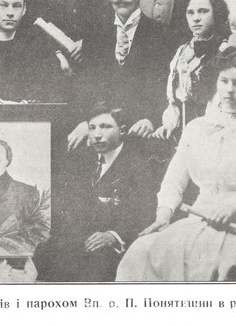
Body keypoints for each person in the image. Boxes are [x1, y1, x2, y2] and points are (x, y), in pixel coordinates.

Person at [116, 47, 236, 281]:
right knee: (141, 251)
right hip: (197, 219)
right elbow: (174, 181)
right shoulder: (196, 128)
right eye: (224, 81)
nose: (229, 90)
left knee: (207, 266)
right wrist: (163, 216)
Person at [47, 103, 164, 281]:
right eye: (92, 128)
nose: (97, 135)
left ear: (122, 131)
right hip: (83, 242)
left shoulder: (138, 165)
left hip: (116, 247)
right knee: (45, 253)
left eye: (105, 127)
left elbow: (146, 213)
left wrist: (114, 236)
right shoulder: (84, 162)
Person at [67, 0, 176, 150]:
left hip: (141, 131)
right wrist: (86, 122)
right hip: (100, 132)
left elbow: (165, 89)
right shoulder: (95, 37)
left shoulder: (161, 36)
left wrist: (151, 119)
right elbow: (85, 88)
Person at [153, 0, 230, 139]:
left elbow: (221, 104)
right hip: (181, 134)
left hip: (212, 133)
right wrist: (168, 125)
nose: (196, 18)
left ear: (216, 13)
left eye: (203, 11)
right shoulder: (182, 51)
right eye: (191, 12)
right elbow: (174, 100)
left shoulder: (225, 51)